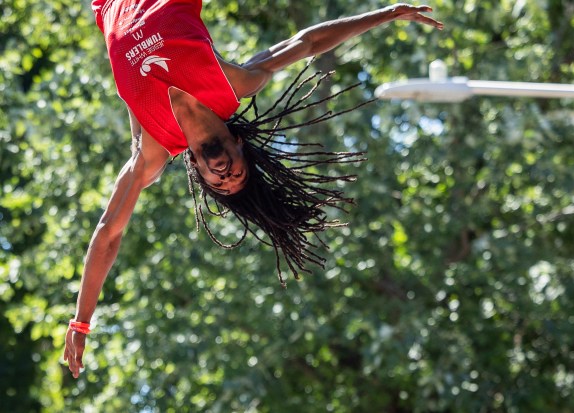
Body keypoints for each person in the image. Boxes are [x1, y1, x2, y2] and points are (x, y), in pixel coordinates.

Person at [64, 0, 443, 378]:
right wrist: (386, 14)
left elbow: (108, 234)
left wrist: (81, 321)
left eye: (221, 184)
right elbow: (308, 42)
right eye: (238, 175)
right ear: (241, 148)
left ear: (199, 175)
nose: (226, 175)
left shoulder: (151, 148)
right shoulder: (234, 83)